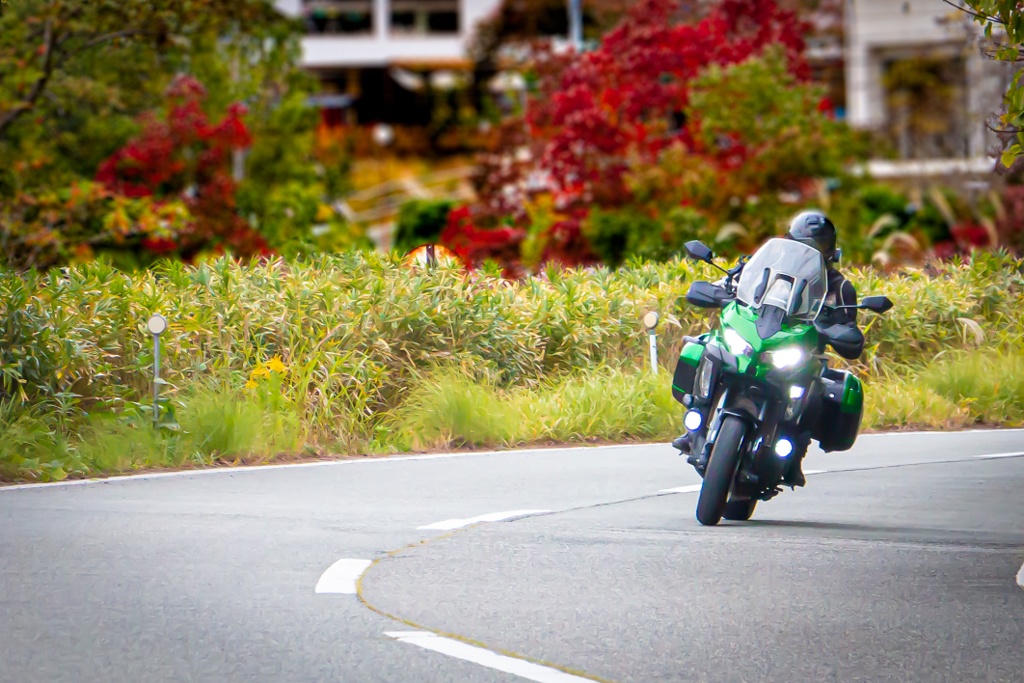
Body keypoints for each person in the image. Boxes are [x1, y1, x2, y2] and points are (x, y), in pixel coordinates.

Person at [671, 210, 861, 487]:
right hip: (756, 336)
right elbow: (731, 283)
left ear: (831, 251)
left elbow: (849, 326)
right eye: (802, 246)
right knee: (707, 347)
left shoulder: (839, 287)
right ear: (788, 241)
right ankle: (696, 420)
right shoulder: (762, 265)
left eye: (817, 248)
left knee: (818, 386)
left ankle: (795, 452)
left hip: (799, 349)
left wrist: (838, 330)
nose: (809, 253)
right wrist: (719, 291)